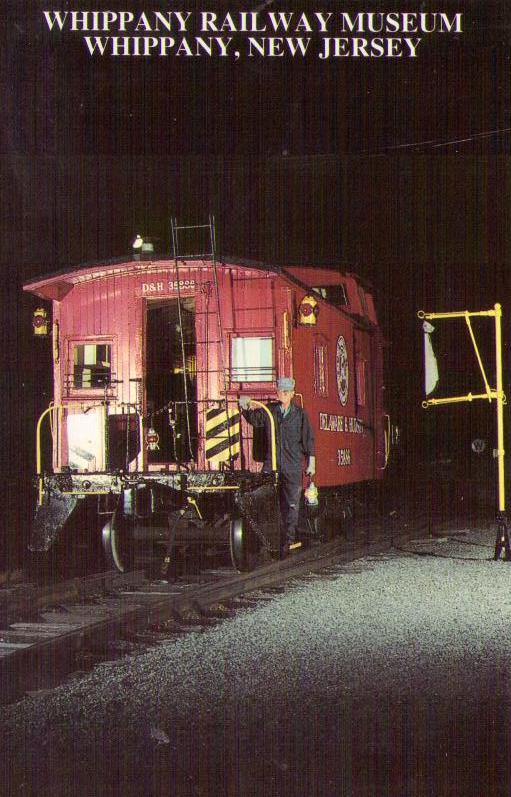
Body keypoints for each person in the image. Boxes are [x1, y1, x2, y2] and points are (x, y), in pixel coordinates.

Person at [239, 377, 315, 552]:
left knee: (291, 503)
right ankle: (267, 539)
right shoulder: (270, 411)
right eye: (281, 391)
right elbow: (255, 420)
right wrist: (244, 407)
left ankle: (288, 541)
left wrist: (311, 463)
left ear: (292, 394)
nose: (283, 394)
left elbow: (308, 440)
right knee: (266, 499)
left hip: (293, 465)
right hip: (272, 463)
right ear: (278, 393)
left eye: (286, 392)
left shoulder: (300, 414)